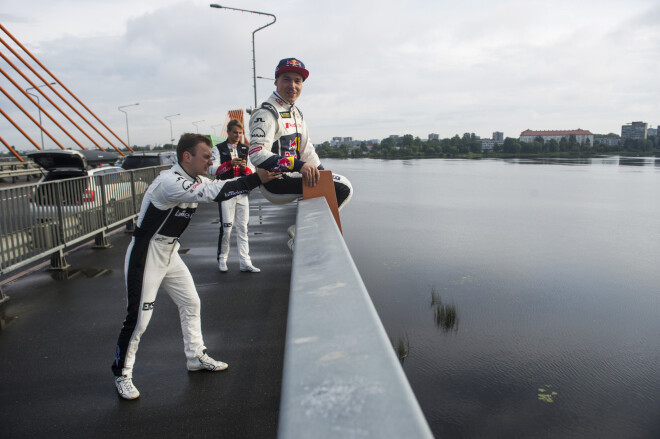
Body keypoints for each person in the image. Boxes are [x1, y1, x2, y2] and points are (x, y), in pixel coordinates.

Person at [111, 133, 278, 400]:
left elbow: (220, 180)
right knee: (138, 321)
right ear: (186, 157)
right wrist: (255, 179)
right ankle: (122, 374)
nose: (210, 160)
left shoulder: (195, 177)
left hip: (170, 251)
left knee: (191, 303)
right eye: (205, 156)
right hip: (147, 254)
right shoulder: (168, 182)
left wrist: (251, 173)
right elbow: (213, 192)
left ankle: (195, 357)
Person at [248, 57, 353, 211]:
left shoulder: (296, 112)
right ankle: (306, 230)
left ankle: (305, 230)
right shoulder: (266, 112)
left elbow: (307, 150)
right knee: (344, 187)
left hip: (292, 175)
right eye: (286, 79)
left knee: (331, 183)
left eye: (297, 81)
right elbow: (256, 153)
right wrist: (300, 166)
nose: (292, 86)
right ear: (276, 81)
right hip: (276, 181)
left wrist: (321, 174)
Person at [209, 120, 259, 273]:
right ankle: (222, 259)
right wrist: (229, 164)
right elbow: (212, 171)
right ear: (228, 132)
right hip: (226, 192)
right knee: (227, 229)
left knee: (243, 228)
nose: (237, 135)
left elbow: (252, 172)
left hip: (242, 192)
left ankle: (245, 262)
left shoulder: (246, 149)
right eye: (235, 132)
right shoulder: (217, 149)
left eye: (240, 133)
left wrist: (245, 169)